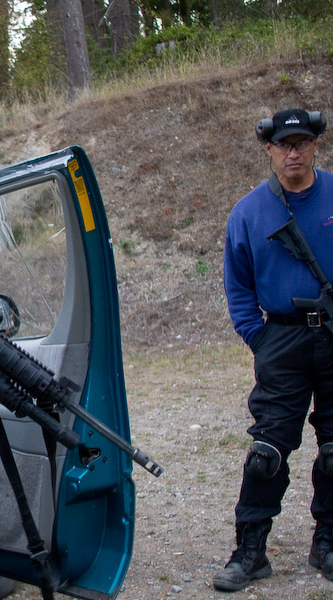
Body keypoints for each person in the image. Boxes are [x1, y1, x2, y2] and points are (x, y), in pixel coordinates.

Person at [215, 107, 333, 592]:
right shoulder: (248, 212)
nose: (293, 152)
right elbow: (238, 284)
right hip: (281, 339)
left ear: (314, 145)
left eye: (301, 142)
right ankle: (250, 551)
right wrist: (258, 338)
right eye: (284, 144)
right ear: (269, 149)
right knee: (267, 451)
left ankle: (327, 542)